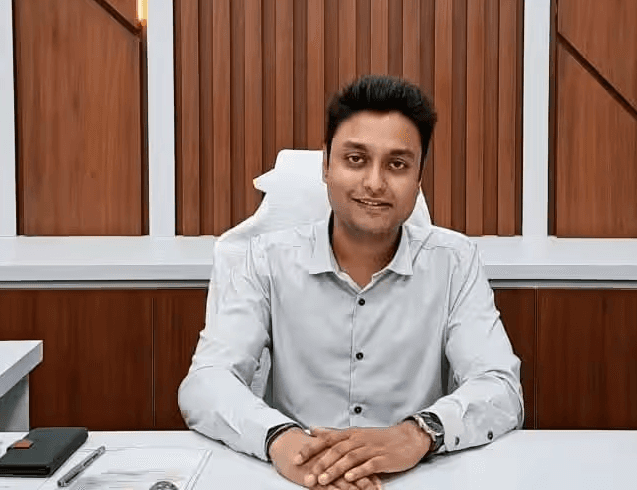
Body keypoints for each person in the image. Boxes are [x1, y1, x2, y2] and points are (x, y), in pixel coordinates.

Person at [178, 74, 524, 490]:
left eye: (397, 164)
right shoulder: (265, 259)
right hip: (294, 476)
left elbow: (500, 387)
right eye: (356, 159)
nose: (375, 183)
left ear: (419, 178)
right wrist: (281, 440)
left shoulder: (454, 262)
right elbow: (206, 383)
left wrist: (418, 433)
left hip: (414, 477)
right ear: (326, 165)